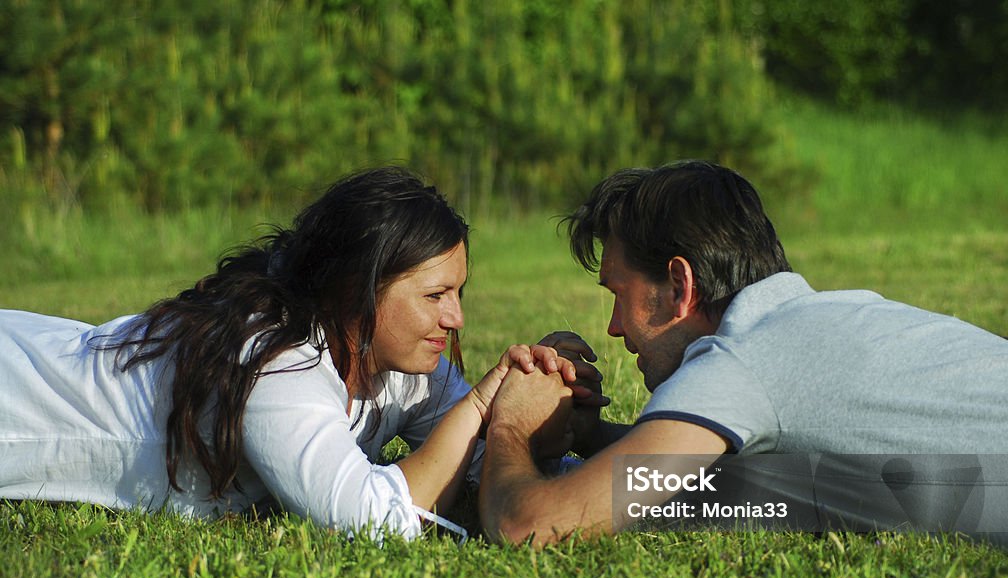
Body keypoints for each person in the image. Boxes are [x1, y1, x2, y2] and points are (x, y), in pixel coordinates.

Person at [0, 167, 576, 540]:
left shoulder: (398, 365)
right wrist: (480, 406)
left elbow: (479, 464)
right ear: (358, 291)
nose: (456, 319)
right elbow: (376, 521)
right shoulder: (279, 359)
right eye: (435, 296)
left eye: (458, 292)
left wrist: (541, 410)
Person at [480, 160, 1008, 545]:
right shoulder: (826, 317)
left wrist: (510, 426)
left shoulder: (744, 362)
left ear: (679, 284)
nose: (615, 328)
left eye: (619, 296)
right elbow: (695, 471)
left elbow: (532, 525)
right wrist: (590, 433)